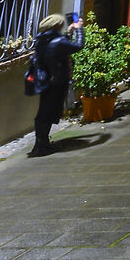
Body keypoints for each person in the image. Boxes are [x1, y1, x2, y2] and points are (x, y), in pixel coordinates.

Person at [27, 11, 83, 156]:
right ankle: (42, 146)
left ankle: (41, 143)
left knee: (44, 111)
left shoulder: (42, 40)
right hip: (57, 81)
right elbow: (78, 46)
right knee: (48, 113)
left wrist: (68, 33)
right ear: (58, 26)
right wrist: (79, 29)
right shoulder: (58, 41)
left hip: (45, 81)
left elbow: (58, 46)